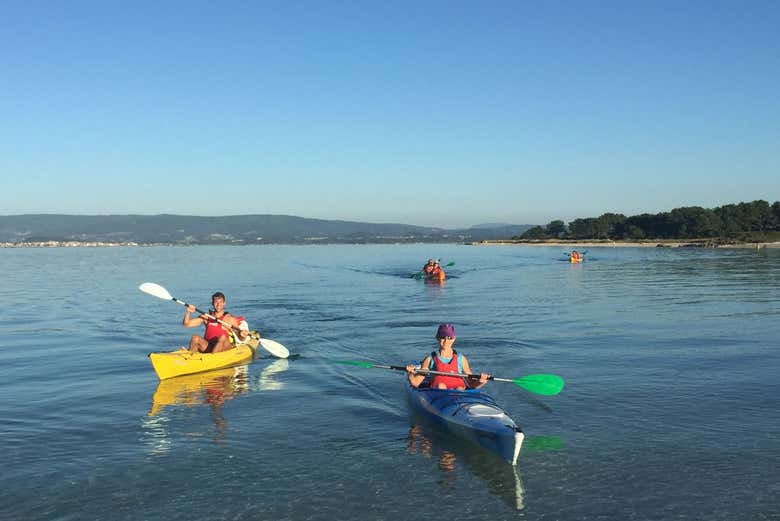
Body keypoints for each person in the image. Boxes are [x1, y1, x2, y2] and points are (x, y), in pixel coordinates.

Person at [406, 324, 488, 390]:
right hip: (439, 395)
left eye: (449, 338)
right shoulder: (429, 359)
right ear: (437, 338)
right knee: (441, 386)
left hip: (459, 393)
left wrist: (481, 382)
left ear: (454, 339)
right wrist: (410, 373)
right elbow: (416, 383)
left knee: (459, 388)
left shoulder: (461, 359)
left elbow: (471, 384)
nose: (446, 341)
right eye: (442, 337)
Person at [182, 291, 248, 353]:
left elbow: (239, 336)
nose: (218, 304)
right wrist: (188, 312)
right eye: (216, 302)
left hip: (225, 347)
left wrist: (243, 336)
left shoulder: (229, 319)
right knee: (195, 337)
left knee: (222, 337)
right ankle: (190, 357)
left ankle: (212, 359)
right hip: (209, 346)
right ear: (212, 303)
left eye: (221, 302)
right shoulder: (206, 317)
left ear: (224, 303)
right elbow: (186, 324)